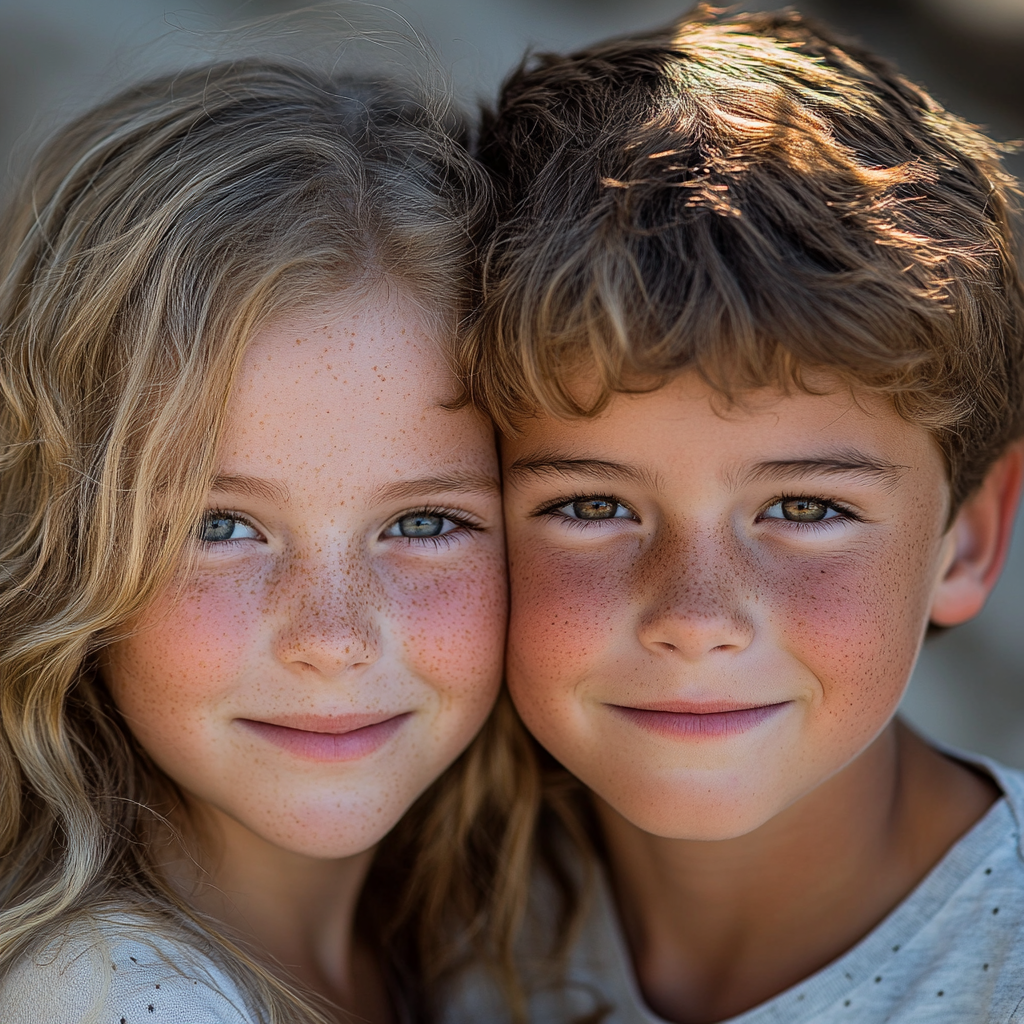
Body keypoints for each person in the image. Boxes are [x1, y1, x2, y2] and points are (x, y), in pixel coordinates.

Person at [453, 7, 1024, 1022]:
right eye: (591, 504)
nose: (696, 616)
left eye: (804, 505)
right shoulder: (416, 910)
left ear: (968, 538)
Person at [0, 56, 528, 1024]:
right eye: (220, 525)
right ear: (66, 543)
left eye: (423, 522)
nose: (331, 636)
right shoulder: (113, 998)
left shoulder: (501, 937)